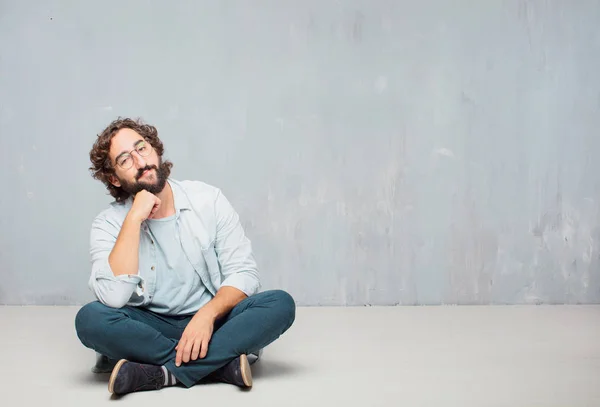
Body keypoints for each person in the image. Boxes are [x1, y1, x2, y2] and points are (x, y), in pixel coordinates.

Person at [75, 117, 296, 396]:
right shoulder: (107, 223)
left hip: (214, 322)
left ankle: (161, 373)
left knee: (279, 304)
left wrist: (206, 316)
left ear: (155, 149)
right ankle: (219, 365)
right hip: (149, 326)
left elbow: (244, 273)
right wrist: (133, 219)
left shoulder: (207, 199)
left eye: (141, 148)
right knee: (90, 319)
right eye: (125, 159)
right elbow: (114, 297)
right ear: (114, 178)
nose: (140, 162)